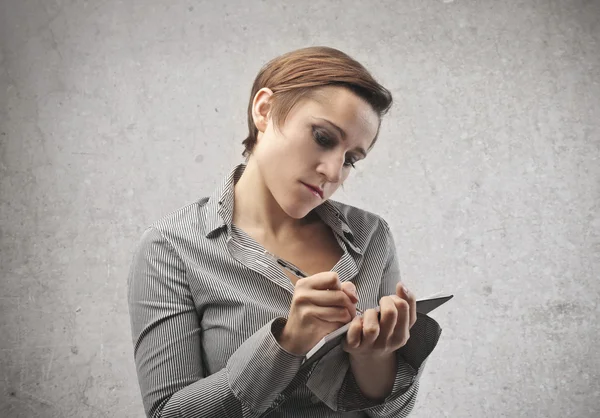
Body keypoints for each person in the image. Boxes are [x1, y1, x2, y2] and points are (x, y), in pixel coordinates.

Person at [127, 46, 442, 418]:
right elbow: (167, 414)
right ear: (264, 110)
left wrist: (375, 357)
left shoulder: (372, 235)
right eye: (323, 138)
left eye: (350, 159)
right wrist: (287, 342)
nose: (333, 172)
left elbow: (392, 412)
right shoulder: (171, 247)